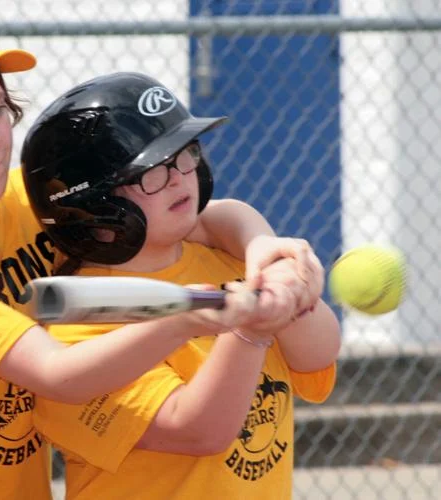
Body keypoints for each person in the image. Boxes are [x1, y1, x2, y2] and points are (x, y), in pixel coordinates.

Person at [0, 19, 316, 500]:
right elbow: (56, 373)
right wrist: (187, 315)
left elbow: (201, 219)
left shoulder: (19, 197)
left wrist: (260, 246)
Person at [21, 72, 342, 499]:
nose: (177, 177)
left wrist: (293, 293)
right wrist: (250, 332)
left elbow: (318, 354)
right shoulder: (76, 334)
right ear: (91, 204)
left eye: (183, 155)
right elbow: (197, 432)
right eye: (148, 172)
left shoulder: (230, 258)